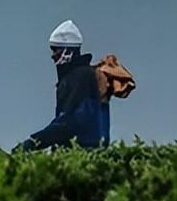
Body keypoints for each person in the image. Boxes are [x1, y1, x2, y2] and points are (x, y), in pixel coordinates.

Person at [15, 20, 109, 151]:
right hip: (79, 153)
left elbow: (71, 121)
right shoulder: (75, 76)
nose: (53, 56)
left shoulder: (81, 76)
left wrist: (35, 141)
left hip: (80, 154)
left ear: (68, 50)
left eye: (55, 50)